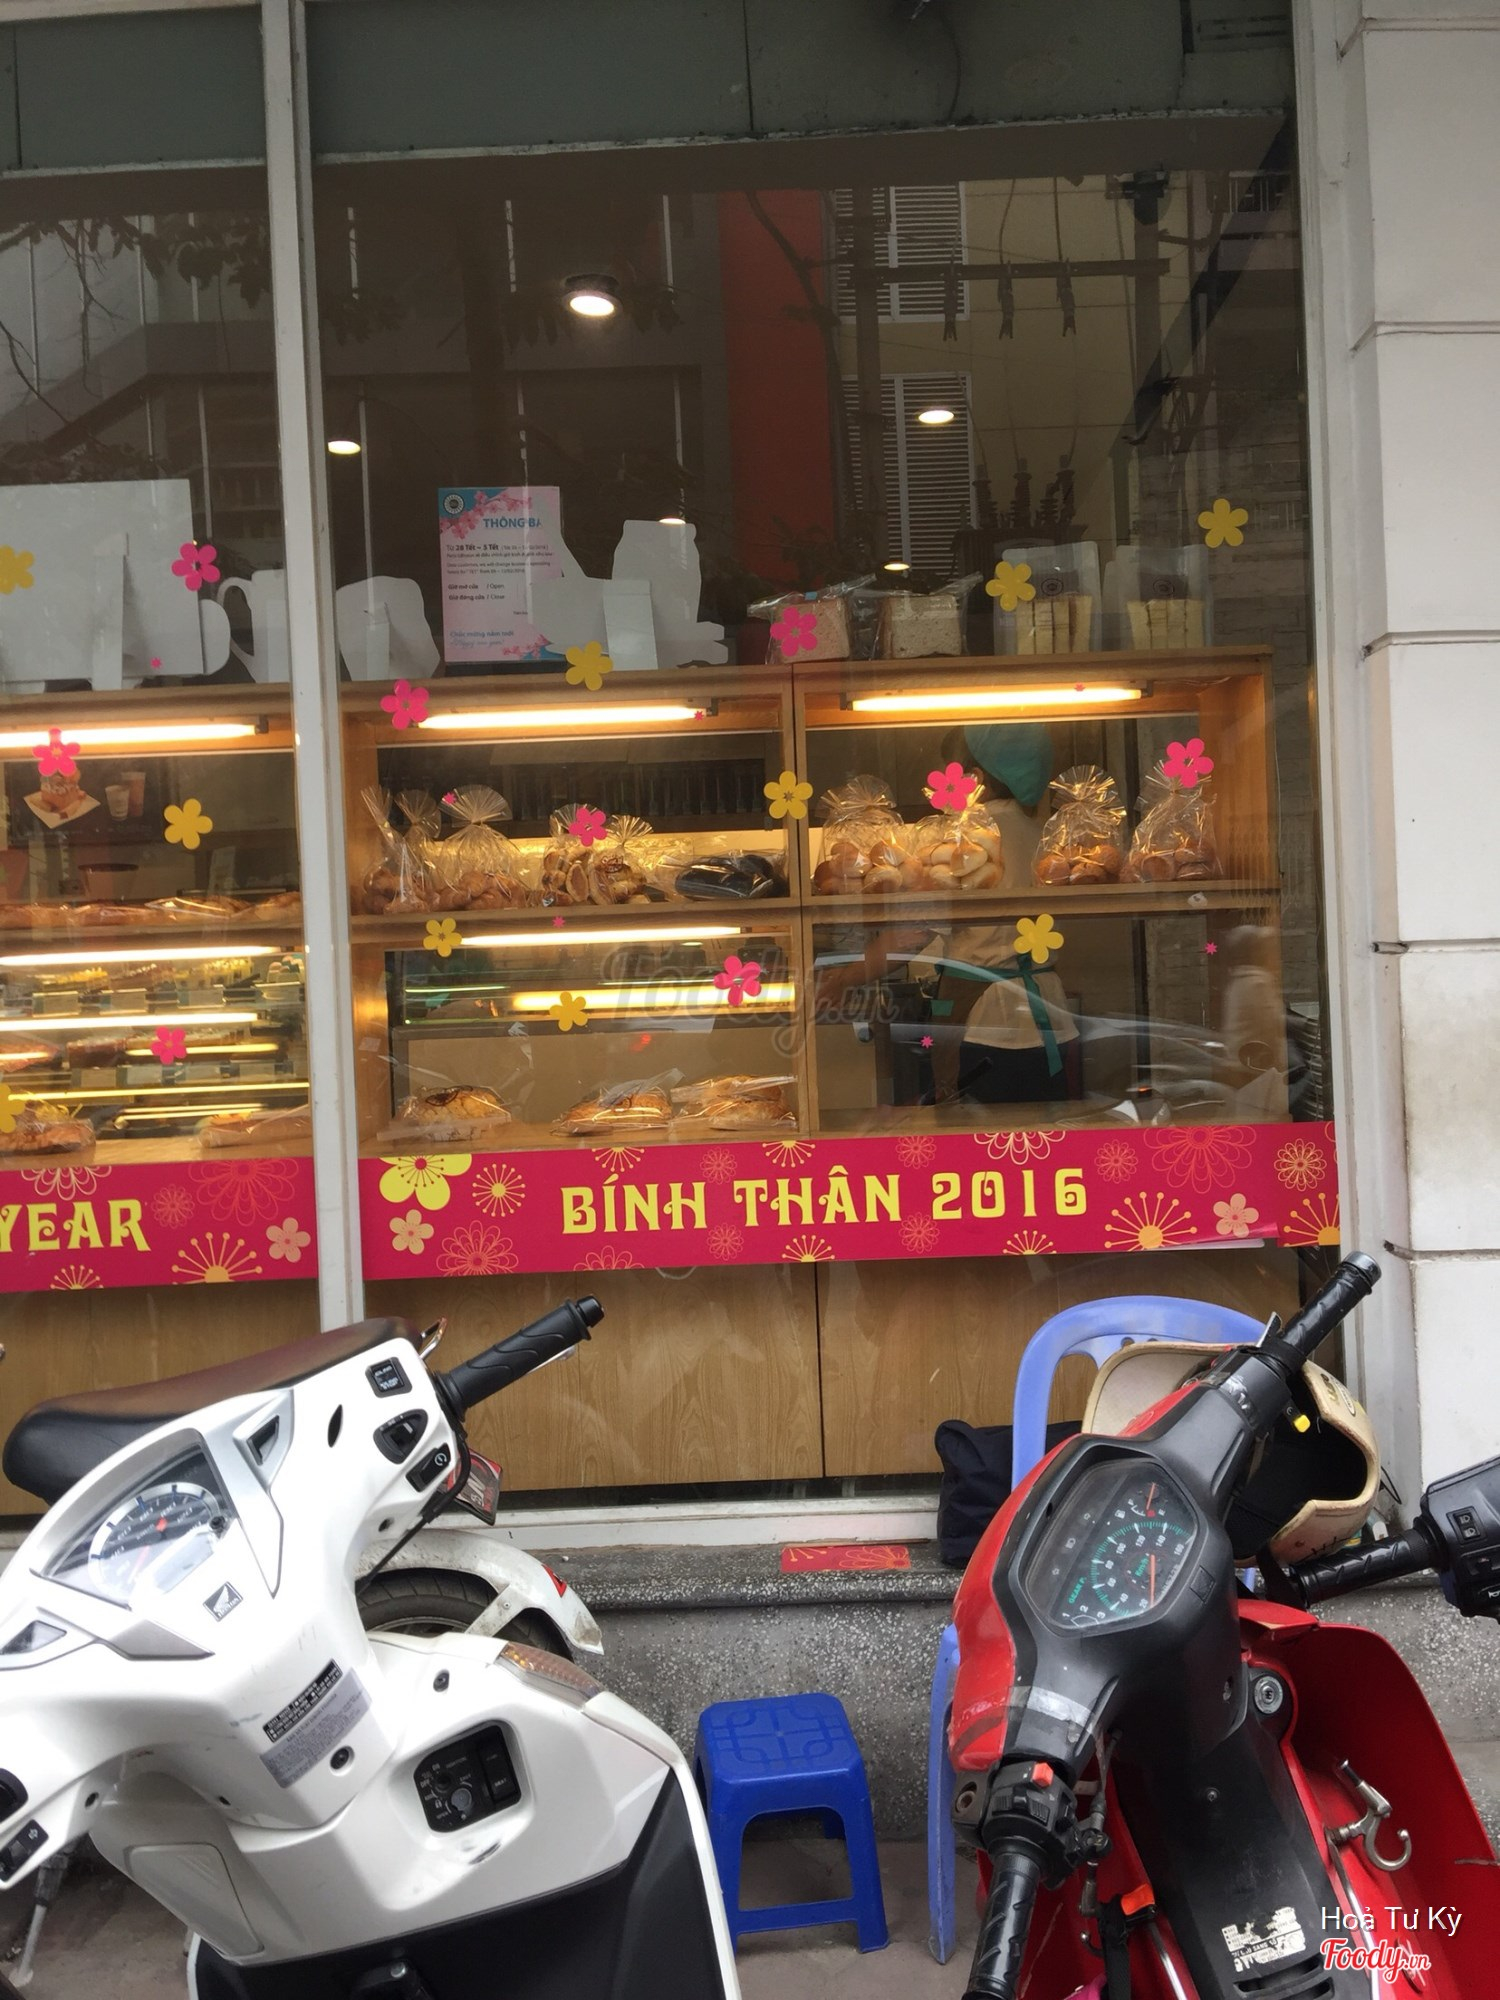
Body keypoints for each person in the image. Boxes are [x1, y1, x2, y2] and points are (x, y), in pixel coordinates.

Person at [920, 721, 1083, 1107]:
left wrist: (846, 976)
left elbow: (914, 933)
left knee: (978, 1138)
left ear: (975, 777)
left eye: (953, 770)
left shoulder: (963, 843)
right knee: (1044, 1136)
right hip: (1050, 1018)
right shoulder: (1048, 836)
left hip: (982, 1019)